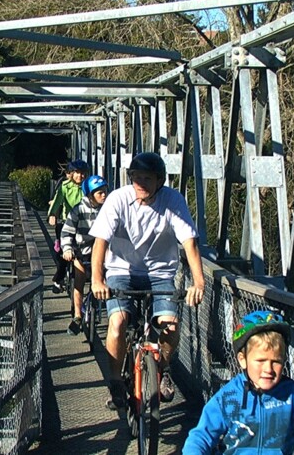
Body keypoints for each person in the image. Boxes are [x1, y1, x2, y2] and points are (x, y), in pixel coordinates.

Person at [89, 151, 206, 409]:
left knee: (170, 326)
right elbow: (100, 242)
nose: (140, 183)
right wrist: (97, 280)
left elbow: (190, 243)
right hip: (121, 270)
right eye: (136, 177)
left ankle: (162, 368)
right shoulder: (118, 199)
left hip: (160, 273)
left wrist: (198, 283)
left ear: (160, 181)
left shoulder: (172, 200)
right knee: (118, 323)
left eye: (147, 178)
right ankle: (116, 383)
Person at [183, 310, 294, 455]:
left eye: (276, 361)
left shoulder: (292, 395)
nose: (268, 369)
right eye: (260, 361)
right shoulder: (229, 396)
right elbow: (201, 436)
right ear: (243, 360)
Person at [60, 174, 109, 335]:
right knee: (79, 280)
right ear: (90, 195)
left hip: (102, 253)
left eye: (105, 191)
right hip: (82, 252)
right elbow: (66, 232)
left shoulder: (108, 210)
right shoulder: (78, 210)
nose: (104, 195)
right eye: (100, 192)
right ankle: (77, 316)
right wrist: (67, 249)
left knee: (110, 278)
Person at [48, 160, 89, 293]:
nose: (80, 176)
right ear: (71, 174)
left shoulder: (88, 187)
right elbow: (57, 201)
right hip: (67, 222)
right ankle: (58, 278)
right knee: (63, 252)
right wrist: (52, 214)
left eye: (83, 173)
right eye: (77, 172)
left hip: (84, 223)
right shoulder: (65, 187)